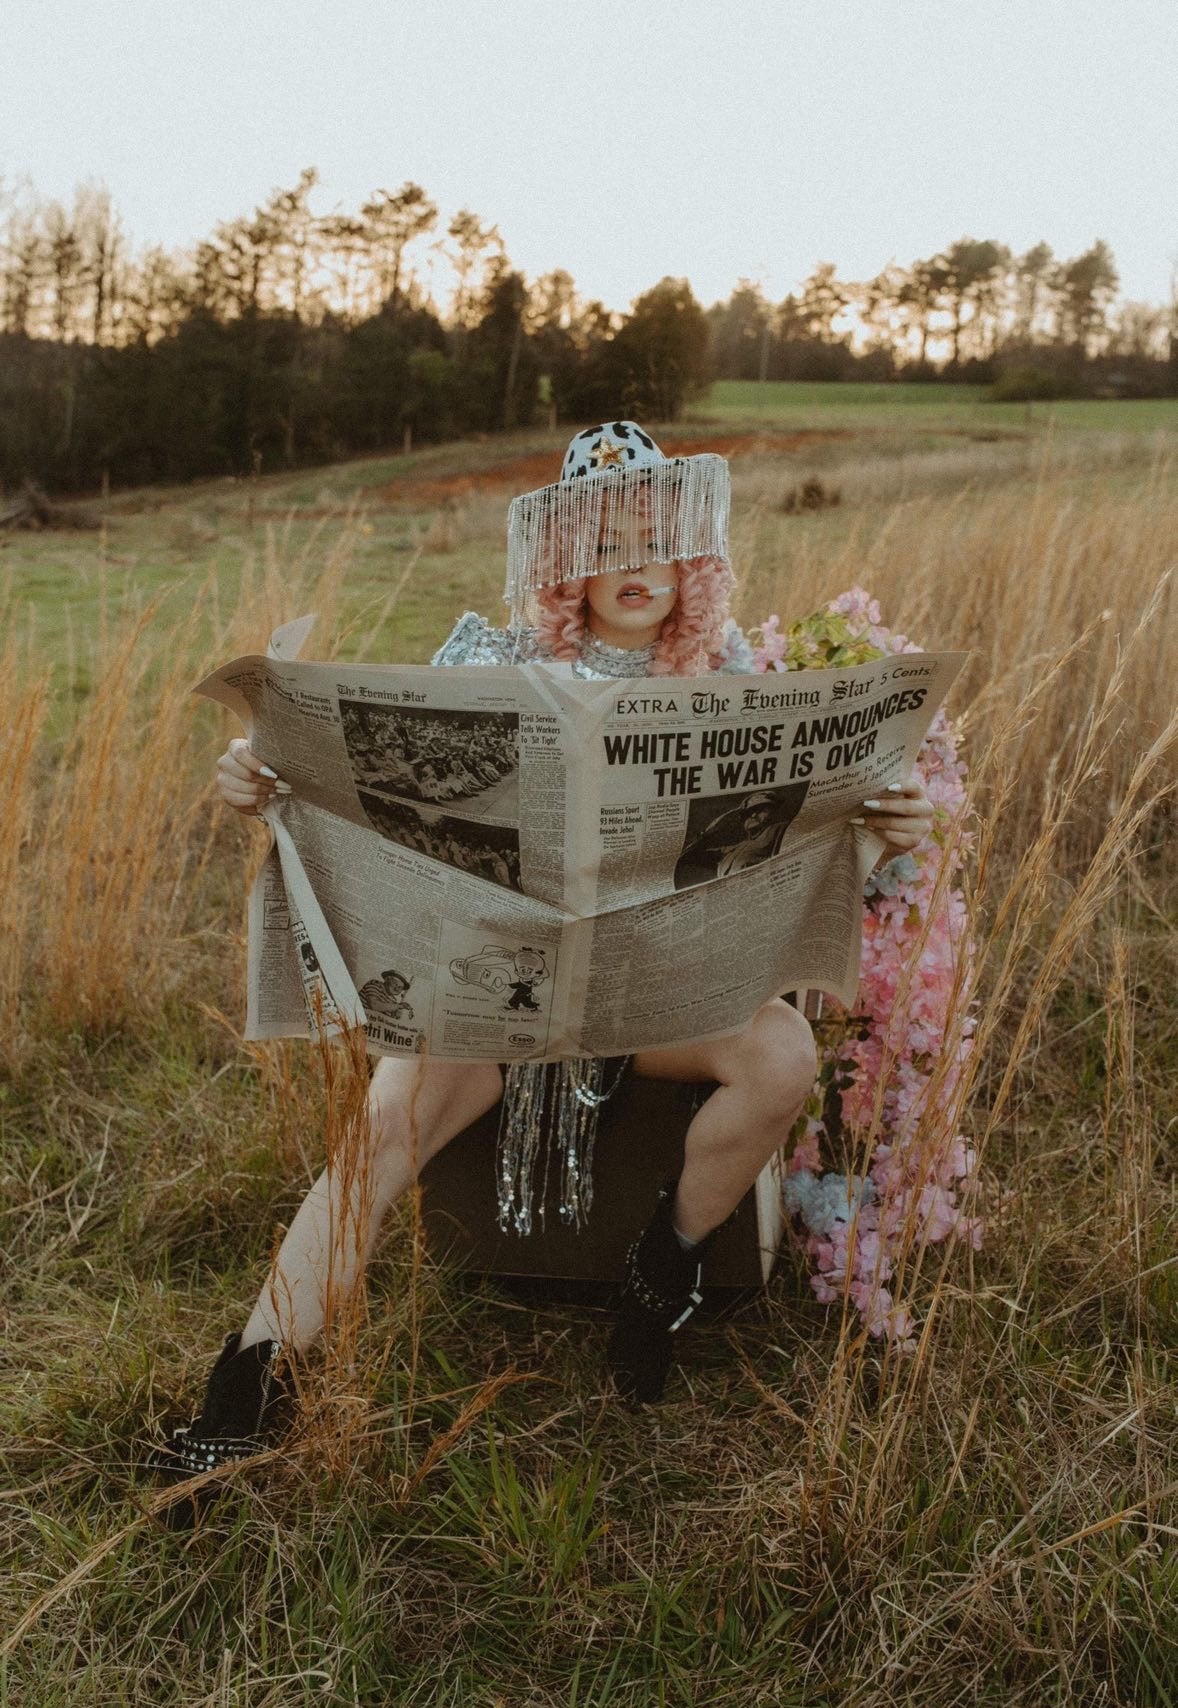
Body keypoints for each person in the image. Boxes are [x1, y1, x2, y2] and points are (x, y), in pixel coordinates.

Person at [155, 420, 932, 1513]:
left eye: (652, 538)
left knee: (780, 1055)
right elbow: (364, 795)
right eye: (603, 543)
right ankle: (240, 1396)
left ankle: (659, 1273)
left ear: (688, 553)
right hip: (491, 990)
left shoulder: (737, 682)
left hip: (651, 994)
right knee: (382, 1129)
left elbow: (806, 838)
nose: (630, 565)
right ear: (565, 560)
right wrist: (261, 778)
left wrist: (882, 824)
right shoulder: (487, 663)